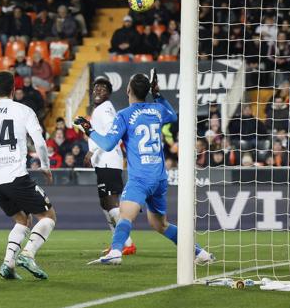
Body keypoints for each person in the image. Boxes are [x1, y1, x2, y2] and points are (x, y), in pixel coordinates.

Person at [74, 71, 214, 265]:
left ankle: (115, 251)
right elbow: (173, 116)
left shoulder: (124, 115)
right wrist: (158, 95)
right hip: (159, 177)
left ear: (128, 90)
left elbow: (107, 144)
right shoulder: (156, 110)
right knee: (160, 224)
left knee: (125, 215)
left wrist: (88, 129)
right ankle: (200, 253)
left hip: (140, 177)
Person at [0, 71, 56, 280]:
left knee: (21, 220)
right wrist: (45, 165)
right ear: (14, 89)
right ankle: (27, 254)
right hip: (16, 176)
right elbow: (39, 140)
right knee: (48, 217)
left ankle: (8, 264)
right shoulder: (23, 110)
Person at [83, 77, 135, 256]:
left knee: (111, 202)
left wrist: (92, 151)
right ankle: (117, 242)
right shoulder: (104, 109)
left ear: (109, 93)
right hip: (105, 160)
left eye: (103, 88)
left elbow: (113, 133)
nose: (98, 90)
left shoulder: (104, 110)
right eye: (96, 87)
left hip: (108, 159)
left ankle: (126, 242)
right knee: (105, 203)